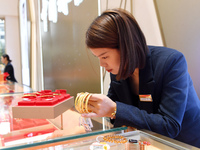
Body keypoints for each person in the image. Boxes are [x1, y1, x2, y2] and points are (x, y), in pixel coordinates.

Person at [81, 8, 200, 148]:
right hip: (149, 144)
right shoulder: (118, 69)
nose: (102, 64)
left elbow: (169, 126)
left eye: (105, 56)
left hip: (185, 144)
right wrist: (99, 109)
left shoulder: (172, 62)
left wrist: (114, 109)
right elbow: (116, 117)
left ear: (125, 47)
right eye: (98, 58)